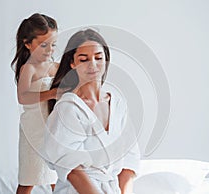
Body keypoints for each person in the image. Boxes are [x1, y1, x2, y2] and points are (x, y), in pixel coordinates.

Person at [44, 29, 140, 194]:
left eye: (98, 57)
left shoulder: (118, 105)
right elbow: (71, 167)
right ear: (72, 64)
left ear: (106, 59)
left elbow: (129, 161)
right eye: (84, 59)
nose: (93, 65)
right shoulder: (68, 107)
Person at [11, 13, 59, 194]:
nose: (49, 50)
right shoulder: (28, 68)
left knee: (57, 177)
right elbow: (22, 97)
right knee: (29, 176)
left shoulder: (56, 67)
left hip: (52, 128)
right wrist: (51, 93)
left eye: (53, 45)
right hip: (33, 129)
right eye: (43, 45)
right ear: (27, 44)